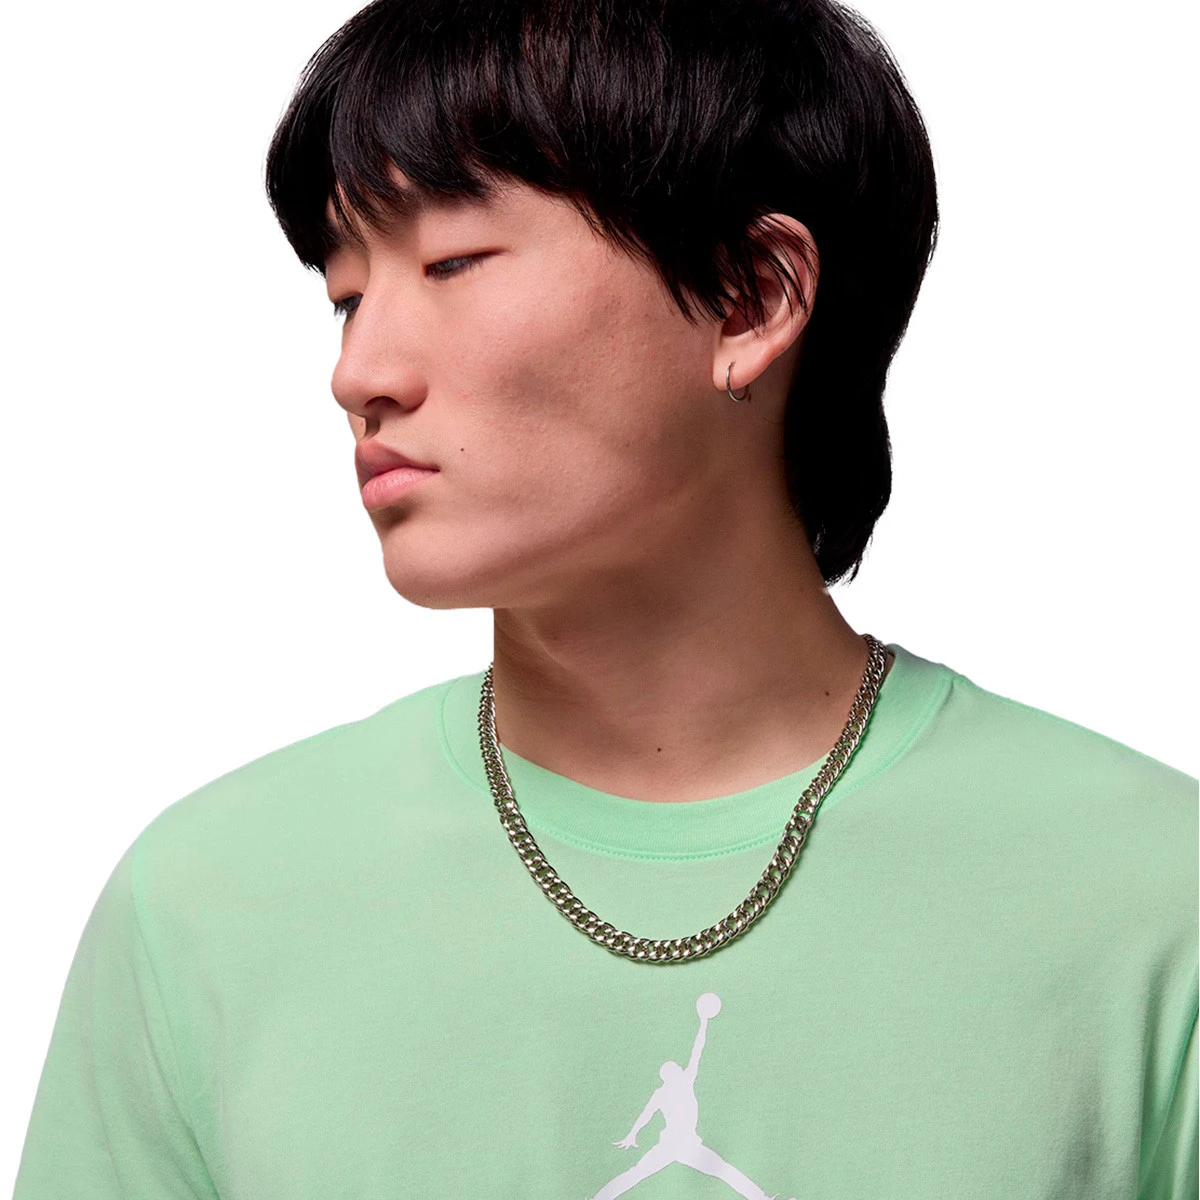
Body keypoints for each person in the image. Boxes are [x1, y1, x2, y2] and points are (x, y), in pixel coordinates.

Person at [12, 0, 1197, 1196]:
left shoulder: (1152, 897)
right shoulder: (209, 907)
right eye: (347, 295)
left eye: (452, 263)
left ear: (750, 295)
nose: (357, 373)